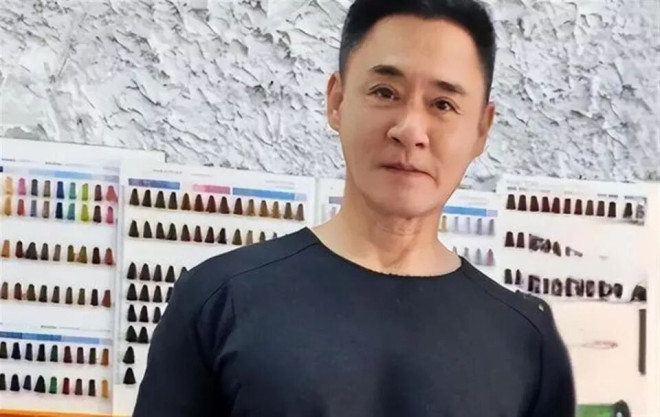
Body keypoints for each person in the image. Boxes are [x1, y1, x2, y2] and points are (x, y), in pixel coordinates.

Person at [134, 0, 576, 416]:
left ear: (481, 128)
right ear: (337, 101)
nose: (410, 130)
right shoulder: (219, 298)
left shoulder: (526, 340)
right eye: (385, 92)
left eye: (443, 104)